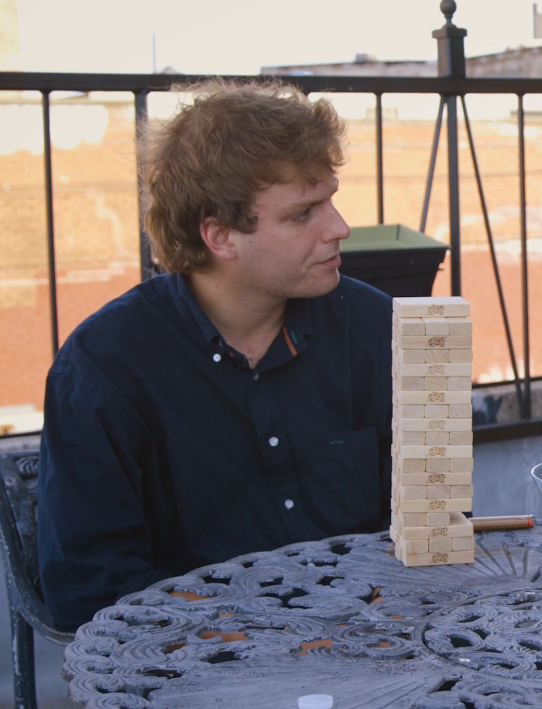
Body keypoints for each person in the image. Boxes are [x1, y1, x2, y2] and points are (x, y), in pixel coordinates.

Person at [38, 80, 393, 630]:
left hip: (377, 649)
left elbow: (433, 525)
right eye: (303, 214)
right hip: (196, 665)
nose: (339, 228)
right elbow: (91, 583)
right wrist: (255, 636)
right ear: (220, 237)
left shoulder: (379, 329)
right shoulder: (106, 365)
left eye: (331, 199)